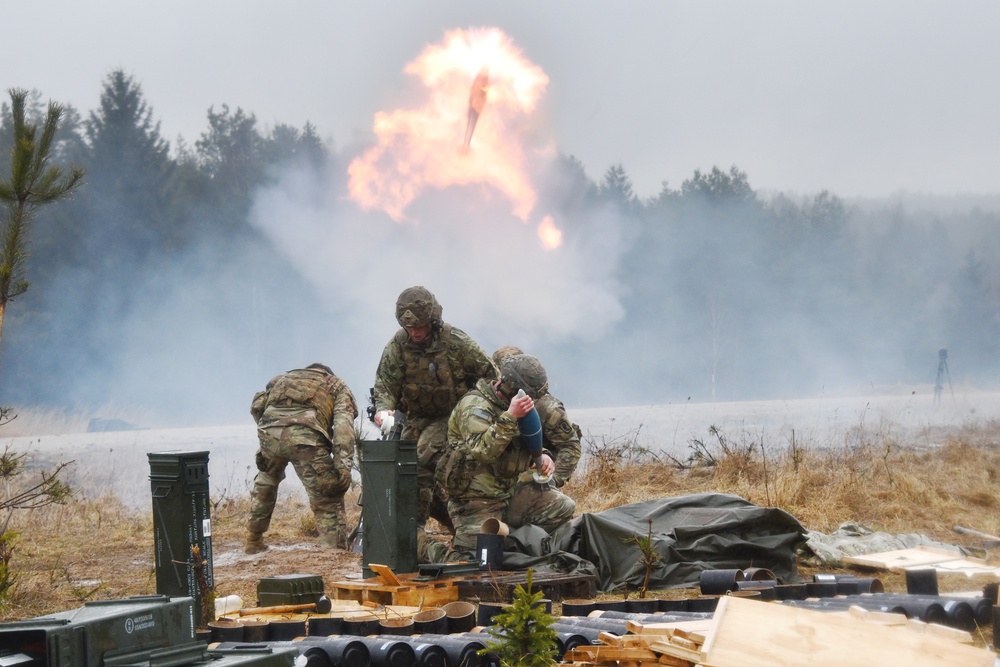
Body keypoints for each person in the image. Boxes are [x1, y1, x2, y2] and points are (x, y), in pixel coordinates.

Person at [372, 286, 497, 539]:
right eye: (410, 328)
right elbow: (385, 382)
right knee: (403, 469)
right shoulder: (398, 345)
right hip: (416, 418)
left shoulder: (455, 342)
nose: (415, 332)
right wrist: (383, 409)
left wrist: (475, 409)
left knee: (421, 461)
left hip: (452, 418)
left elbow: (491, 375)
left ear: (433, 321)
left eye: (420, 326)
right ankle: (412, 529)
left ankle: (413, 529)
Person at [430, 353, 577, 562]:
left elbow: (522, 442)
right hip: (476, 501)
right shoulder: (475, 406)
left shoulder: (517, 406)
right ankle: (423, 545)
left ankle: (514, 542)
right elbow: (483, 450)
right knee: (475, 560)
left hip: (510, 493)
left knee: (562, 507)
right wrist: (510, 416)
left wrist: (542, 457)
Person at [245, 363, 359, 554]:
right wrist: (343, 467)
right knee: (327, 495)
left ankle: (253, 540)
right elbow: (343, 429)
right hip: (306, 439)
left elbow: (257, 405)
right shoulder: (336, 386)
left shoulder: (282, 379)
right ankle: (333, 550)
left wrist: (268, 433)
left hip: (270, 432)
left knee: (266, 481)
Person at [491, 346, 583, 493]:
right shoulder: (494, 400)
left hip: (540, 465)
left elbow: (570, 447)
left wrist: (552, 480)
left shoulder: (547, 407)